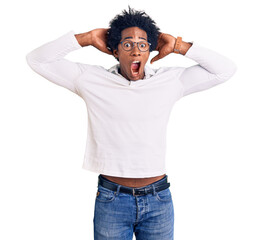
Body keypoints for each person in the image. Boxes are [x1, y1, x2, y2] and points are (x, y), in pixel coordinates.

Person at [26, 6, 237, 240]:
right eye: (127, 45)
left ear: (149, 51)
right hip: (112, 200)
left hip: (159, 200)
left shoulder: (169, 81)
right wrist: (86, 38)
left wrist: (178, 45)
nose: (135, 51)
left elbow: (225, 70)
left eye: (143, 45)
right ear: (115, 51)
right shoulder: (90, 79)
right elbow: (37, 60)